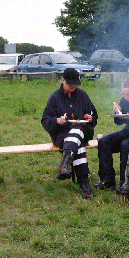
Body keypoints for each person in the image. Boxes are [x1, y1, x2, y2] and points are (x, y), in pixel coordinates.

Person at [41, 68, 98, 198]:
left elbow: (94, 115)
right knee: (79, 147)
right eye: (70, 85)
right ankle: (84, 183)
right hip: (62, 134)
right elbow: (45, 120)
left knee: (78, 130)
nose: (73, 87)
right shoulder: (54, 97)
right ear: (63, 81)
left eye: (75, 85)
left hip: (83, 132)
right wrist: (57, 121)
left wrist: (90, 118)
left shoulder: (83, 95)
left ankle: (65, 163)